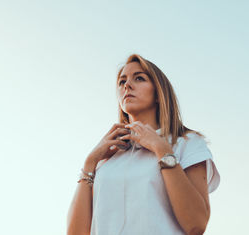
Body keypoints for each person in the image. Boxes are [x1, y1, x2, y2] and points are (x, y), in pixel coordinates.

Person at [67, 54, 220, 235]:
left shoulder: (187, 144)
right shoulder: (106, 157)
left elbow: (196, 224)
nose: (127, 85)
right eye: (122, 82)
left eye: (139, 78)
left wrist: (161, 150)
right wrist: (90, 162)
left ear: (158, 93)